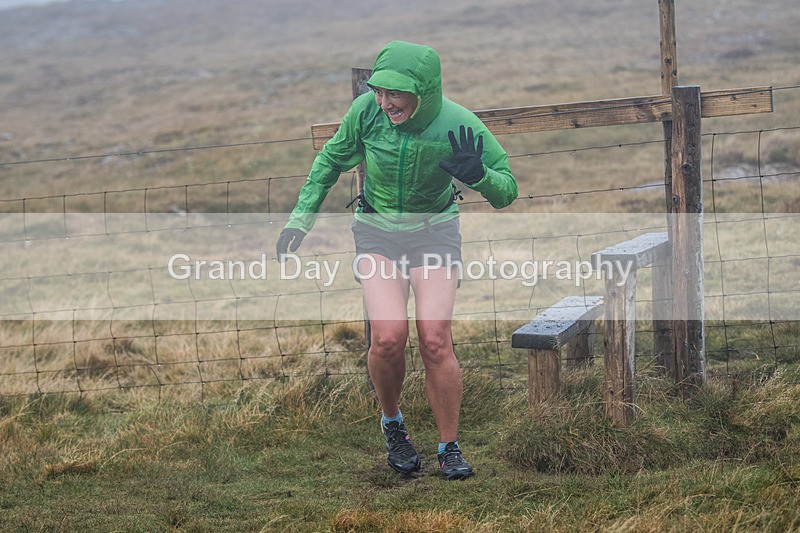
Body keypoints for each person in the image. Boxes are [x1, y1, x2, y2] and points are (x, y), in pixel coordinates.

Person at [276, 40, 517, 480]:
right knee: (387, 339)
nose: (384, 103)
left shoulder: (458, 124)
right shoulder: (366, 112)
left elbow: (507, 190)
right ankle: (393, 426)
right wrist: (300, 220)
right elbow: (330, 160)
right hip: (377, 234)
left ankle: (448, 447)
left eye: (396, 94)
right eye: (379, 92)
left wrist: (479, 175)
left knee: (434, 340)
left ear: (424, 90)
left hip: (435, 234)